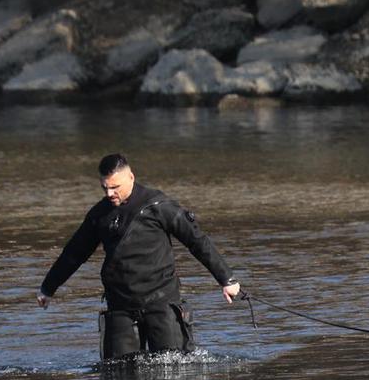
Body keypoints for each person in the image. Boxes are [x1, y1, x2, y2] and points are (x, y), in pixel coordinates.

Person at [37, 154, 242, 360]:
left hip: (161, 303)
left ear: (131, 177)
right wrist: (48, 288)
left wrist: (226, 279)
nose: (110, 193)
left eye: (115, 187)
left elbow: (197, 241)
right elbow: (74, 254)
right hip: (120, 306)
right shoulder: (99, 214)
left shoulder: (158, 205)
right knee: (118, 373)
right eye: (105, 188)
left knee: (172, 373)